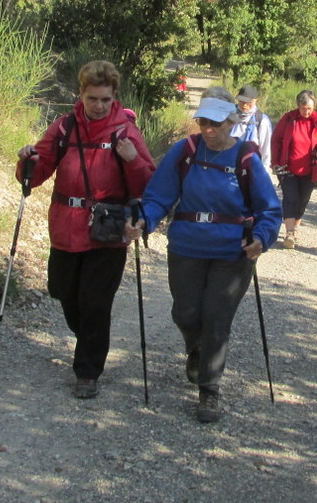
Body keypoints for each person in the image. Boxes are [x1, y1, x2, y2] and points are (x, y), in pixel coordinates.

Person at [127, 86, 281, 423]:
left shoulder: (246, 158)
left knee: (216, 318)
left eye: (215, 124)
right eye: (202, 124)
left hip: (233, 252)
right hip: (186, 247)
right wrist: (145, 220)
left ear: (230, 122)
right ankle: (196, 350)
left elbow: (270, 210)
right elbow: (158, 196)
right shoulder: (185, 151)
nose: (208, 130)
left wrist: (262, 238)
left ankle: (209, 390)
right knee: (185, 313)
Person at [17, 61, 155, 398]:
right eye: (93, 98)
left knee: (95, 303)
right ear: (81, 94)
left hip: (107, 232)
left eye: (105, 99)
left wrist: (132, 158)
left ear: (114, 98)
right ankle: (90, 342)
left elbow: (148, 184)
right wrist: (28, 160)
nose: (99, 106)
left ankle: (88, 371)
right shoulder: (64, 128)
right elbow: (35, 175)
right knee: (63, 292)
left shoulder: (125, 131)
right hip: (65, 227)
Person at [270, 89, 317, 248]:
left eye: (309, 108)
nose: (306, 111)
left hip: (311, 170)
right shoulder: (289, 119)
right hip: (287, 168)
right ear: (298, 106)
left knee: (303, 201)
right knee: (290, 198)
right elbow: (276, 140)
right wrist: (275, 162)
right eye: (303, 108)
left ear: (314, 107)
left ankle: (296, 227)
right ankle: (290, 233)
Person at [229, 84, 273, 173]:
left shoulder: (262, 120)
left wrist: (263, 173)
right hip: (228, 165)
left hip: (250, 169)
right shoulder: (229, 115)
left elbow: (266, 149)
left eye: (248, 102)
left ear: (256, 100)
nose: (244, 105)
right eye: (241, 101)